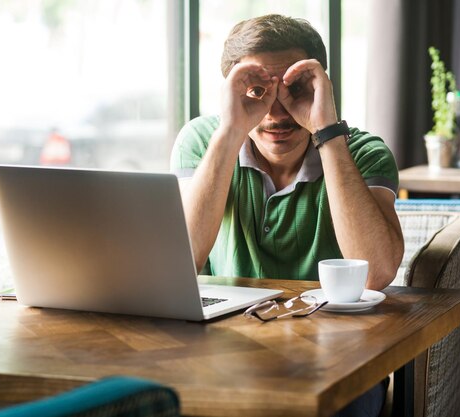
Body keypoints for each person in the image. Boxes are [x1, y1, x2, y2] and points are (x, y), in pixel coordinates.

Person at [170, 14, 404, 416]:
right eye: (257, 91)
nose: (277, 114)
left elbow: (376, 273)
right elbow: (179, 261)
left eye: (294, 89)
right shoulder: (204, 141)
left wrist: (326, 131)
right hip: (225, 349)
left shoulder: (362, 152)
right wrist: (230, 131)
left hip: (338, 360)